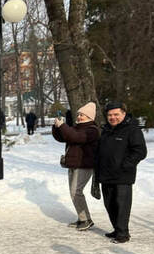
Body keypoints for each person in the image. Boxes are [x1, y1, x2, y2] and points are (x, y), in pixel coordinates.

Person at [94, 101, 147, 243]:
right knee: (109, 204)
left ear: (124, 114)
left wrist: (125, 165)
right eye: (110, 115)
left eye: (116, 114)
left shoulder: (132, 130)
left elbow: (140, 151)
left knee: (121, 206)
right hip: (106, 174)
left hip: (123, 175)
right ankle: (117, 229)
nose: (113, 117)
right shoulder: (106, 130)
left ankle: (123, 234)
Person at [52, 102, 99, 231]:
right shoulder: (76, 128)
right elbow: (62, 137)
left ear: (89, 117)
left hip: (84, 165)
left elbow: (76, 137)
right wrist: (57, 127)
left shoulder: (92, 130)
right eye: (78, 114)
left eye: (82, 115)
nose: (79, 117)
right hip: (73, 164)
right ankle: (83, 218)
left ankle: (86, 220)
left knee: (76, 192)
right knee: (74, 193)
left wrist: (63, 126)